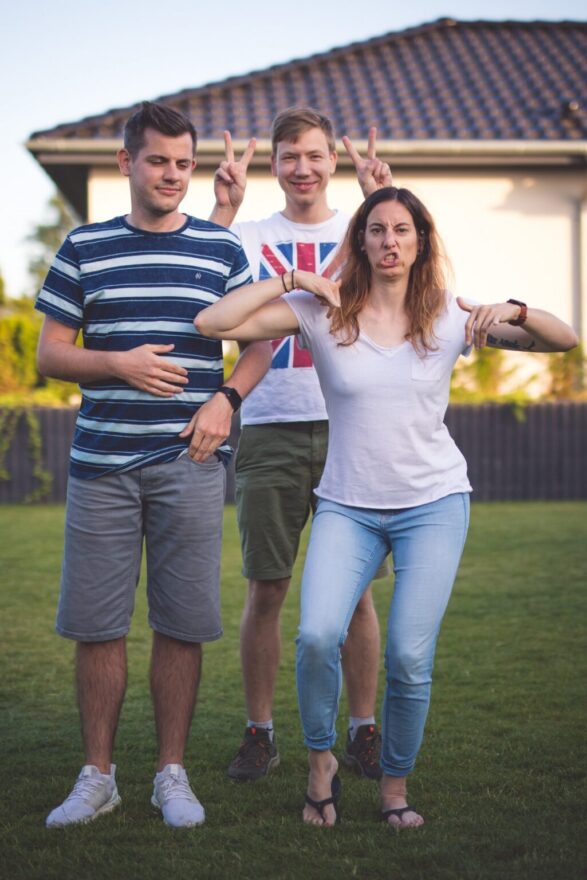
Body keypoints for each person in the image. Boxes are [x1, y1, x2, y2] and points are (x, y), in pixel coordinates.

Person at [195, 185, 578, 827]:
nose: (390, 241)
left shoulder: (451, 315)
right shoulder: (324, 311)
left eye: (402, 230)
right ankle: (321, 762)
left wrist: (514, 308)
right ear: (362, 242)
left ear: (420, 242)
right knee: (317, 635)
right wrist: (292, 279)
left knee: (409, 656)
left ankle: (395, 787)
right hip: (347, 504)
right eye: (377, 230)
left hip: (433, 503)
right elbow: (213, 323)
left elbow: (562, 340)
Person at [36, 101, 271, 828]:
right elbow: (51, 354)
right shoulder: (85, 245)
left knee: (181, 624)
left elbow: (260, 343)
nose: (172, 174)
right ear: (126, 163)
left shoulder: (221, 248)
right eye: (158, 161)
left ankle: (171, 773)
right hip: (101, 466)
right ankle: (98, 777)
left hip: (190, 464)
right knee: (97, 627)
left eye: (183, 163)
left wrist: (226, 399)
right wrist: (117, 363)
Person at [209, 107, 393, 781]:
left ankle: (363, 729)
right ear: (275, 164)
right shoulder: (250, 236)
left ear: (331, 161)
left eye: (315, 155)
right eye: (289, 156)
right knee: (267, 588)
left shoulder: (362, 229)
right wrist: (223, 206)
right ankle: (260, 732)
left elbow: (409, 272)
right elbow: (200, 286)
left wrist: (381, 197)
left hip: (351, 429)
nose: (302, 168)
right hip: (268, 427)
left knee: (358, 594)